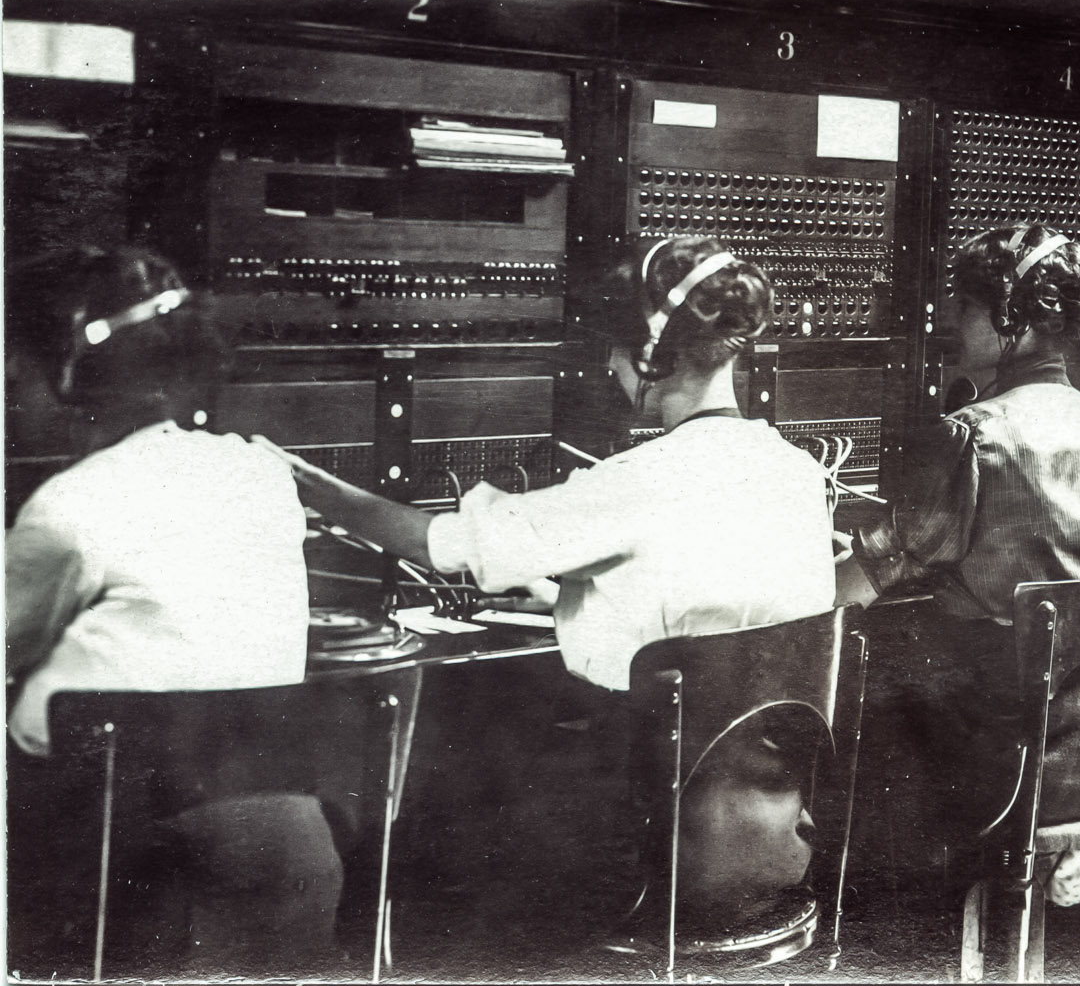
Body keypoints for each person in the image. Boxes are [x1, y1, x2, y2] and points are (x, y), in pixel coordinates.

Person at [260, 235, 837, 934]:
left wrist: (305, 485)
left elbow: (441, 544)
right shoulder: (798, 473)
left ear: (653, 356)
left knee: (406, 832)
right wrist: (559, 591)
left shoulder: (637, 481)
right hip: (767, 846)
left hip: (644, 853)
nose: (611, 366)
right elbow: (703, 605)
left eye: (616, 351)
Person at [5, 246, 340, 976]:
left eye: (14, 371)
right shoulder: (256, 471)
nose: (6, 389)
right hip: (293, 856)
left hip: (126, 877)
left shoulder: (69, 508)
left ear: (70, 375)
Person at [835, 223, 1080, 905]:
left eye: (966, 306)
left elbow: (883, 567)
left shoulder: (976, 432)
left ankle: (902, 950)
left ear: (1013, 316)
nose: (953, 323)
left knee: (853, 733)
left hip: (1007, 760)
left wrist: (797, 592)